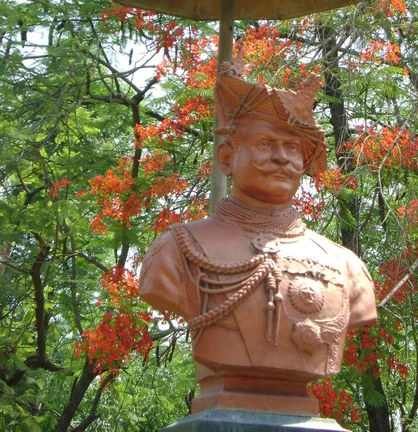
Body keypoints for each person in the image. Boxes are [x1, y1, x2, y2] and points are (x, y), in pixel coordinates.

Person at [139, 61, 377, 415]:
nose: (281, 158)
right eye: (266, 143)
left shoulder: (345, 265)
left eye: (293, 148)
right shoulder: (178, 249)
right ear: (226, 157)